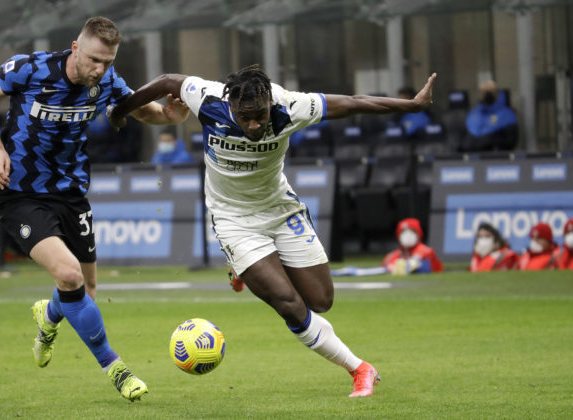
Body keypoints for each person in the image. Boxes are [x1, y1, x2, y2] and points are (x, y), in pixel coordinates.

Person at [108, 64, 437, 397]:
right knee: (288, 303)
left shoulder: (290, 105)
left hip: (280, 210)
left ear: (269, 104)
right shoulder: (207, 97)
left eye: (260, 117)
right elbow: (166, 82)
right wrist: (121, 111)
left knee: (321, 301)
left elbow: (353, 102)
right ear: (231, 104)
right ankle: (359, 368)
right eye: (244, 117)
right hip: (233, 219)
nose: (253, 125)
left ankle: (245, 269)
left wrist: (411, 105)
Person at [0, 17, 188, 402]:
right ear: (75, 48)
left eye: (107, 62)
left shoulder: (105, 81)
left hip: (72, 194)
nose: (100, 70)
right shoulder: (31, 68)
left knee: (84, 289)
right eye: (94, 60)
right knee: (69, 275)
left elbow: (140, 108)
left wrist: (168, 116)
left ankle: (48, 317)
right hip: (21, 193)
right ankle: (116, 368)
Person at [462, 80, 518, 152]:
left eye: (491, 91)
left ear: (497, 93)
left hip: (496, 159)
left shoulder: (507, 114)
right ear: (479, 94)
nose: (487, 94)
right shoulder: (473, 114)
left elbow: (510, 142)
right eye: (484, 92)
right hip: (474, 159)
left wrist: (488, 141)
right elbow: (466, 143)